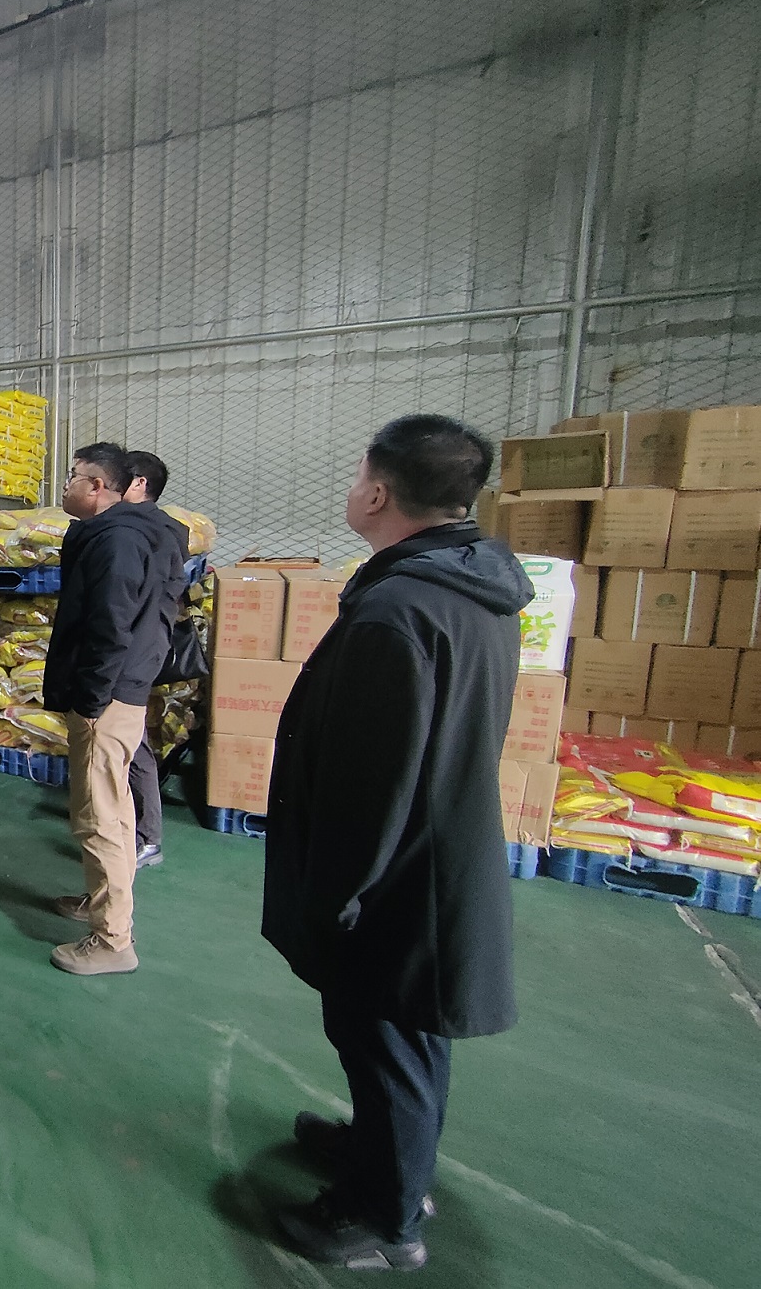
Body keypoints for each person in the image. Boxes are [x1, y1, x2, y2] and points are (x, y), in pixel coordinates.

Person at [264, 416, 529, 1271]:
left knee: (388, 1041)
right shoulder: (467, 582)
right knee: (400, 1036)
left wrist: (339, 894)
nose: (352, 489)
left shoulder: (397, 611)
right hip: (432, 851)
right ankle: (384, 1153)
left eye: (356, 477)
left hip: (397, 876)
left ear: (378, 493)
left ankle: (386, 1218)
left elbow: (372, 784)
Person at [42, 443, 187, 976]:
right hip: (124, 689)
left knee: (97, 815)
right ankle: (101, 903)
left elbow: (110, 625)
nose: (66, 486)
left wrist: (91, 699)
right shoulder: (138, 532)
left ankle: (112, 941)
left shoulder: (117, 540)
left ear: (98, 487)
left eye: (73, 477)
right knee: (116, 808)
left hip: (107, 697)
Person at [121, 449, 189, 870]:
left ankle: (147, 836)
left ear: (138, 483)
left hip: (136, 652)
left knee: (133, 741)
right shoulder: (163, 529)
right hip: (144, 647)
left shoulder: (149, 531)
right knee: (130, 739)